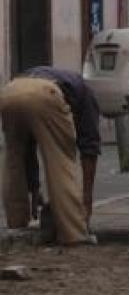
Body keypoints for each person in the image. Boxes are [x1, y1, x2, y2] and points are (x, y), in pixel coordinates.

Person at [0, 67, 100, 246]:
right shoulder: (87, 96)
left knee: (14, 157)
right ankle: (74, 232)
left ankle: (16, 225)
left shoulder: (64, 81)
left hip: (10, 92)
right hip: (46, 92)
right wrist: (87, 199)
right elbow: (89, 149)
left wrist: (34, 188)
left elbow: (27, 152)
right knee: (60, 159)